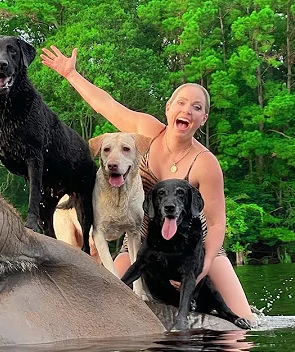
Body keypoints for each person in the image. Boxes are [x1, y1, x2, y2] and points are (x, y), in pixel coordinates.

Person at [40, 45, 254, 321]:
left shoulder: (205, 163)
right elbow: (107, 105)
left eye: (196, 107)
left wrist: (205, 264)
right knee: (106, 300)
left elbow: (215, 223)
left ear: (203, 118)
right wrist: (71, 74)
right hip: (143, 241)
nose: (187, 110)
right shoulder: (147, 131)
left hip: (194, 243)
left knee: (244, 323)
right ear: (168, 108)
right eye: (181, 102)